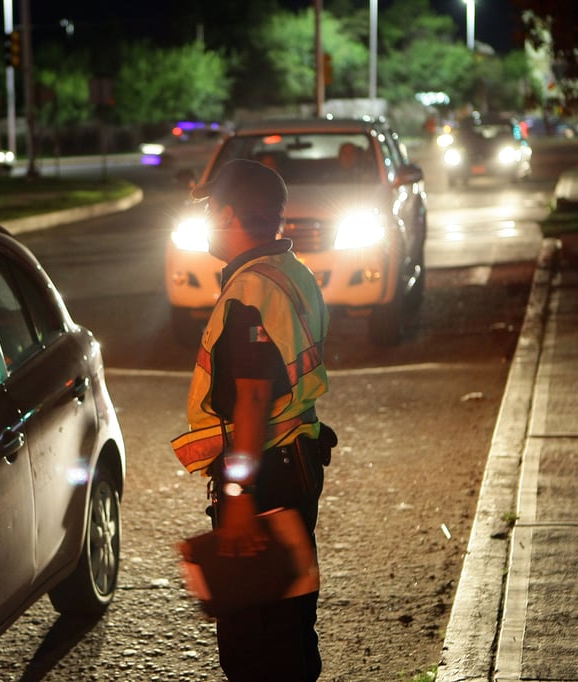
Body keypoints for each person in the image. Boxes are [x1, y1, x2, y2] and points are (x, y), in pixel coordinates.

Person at [171, 159, 335, 681]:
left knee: (255, 646)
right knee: (289, 626)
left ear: (226, 213)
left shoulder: (250, 291)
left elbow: (251, 399)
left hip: (265, 478)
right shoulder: (292, 272)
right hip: (295, 462)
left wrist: (239, 497)